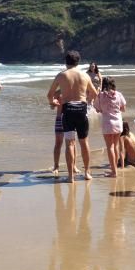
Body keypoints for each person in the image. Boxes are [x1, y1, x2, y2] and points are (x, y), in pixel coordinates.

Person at [47, 50, 98, 182]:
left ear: (66, 62)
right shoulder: (85, 76)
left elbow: (50, 94)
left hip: (68, 109)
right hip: (81, 109)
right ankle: (87, 172)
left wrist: (53, 102)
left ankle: (70, 177)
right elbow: (94, 94)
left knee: (69, 143)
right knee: (84, 142)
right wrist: (87, 100)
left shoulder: (61, 75)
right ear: (78, 61)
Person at [94, 77, 126, 177]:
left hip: (107, 123)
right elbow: (123, 108)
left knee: (110, 147)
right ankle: (115, 169)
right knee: (115, 146)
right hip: (118, 122)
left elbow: (97, 109)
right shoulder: (119, 94)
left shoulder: (100, 96)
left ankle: (113, 171)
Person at [50, 90, 79, 177]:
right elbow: (51, 107)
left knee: (73, 143)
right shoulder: (58, 92)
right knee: (58, 143)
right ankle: (56, 166)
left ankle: (74, 166)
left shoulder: (75, 90)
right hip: (60, 118)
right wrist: (54, 103)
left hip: (71, 118)